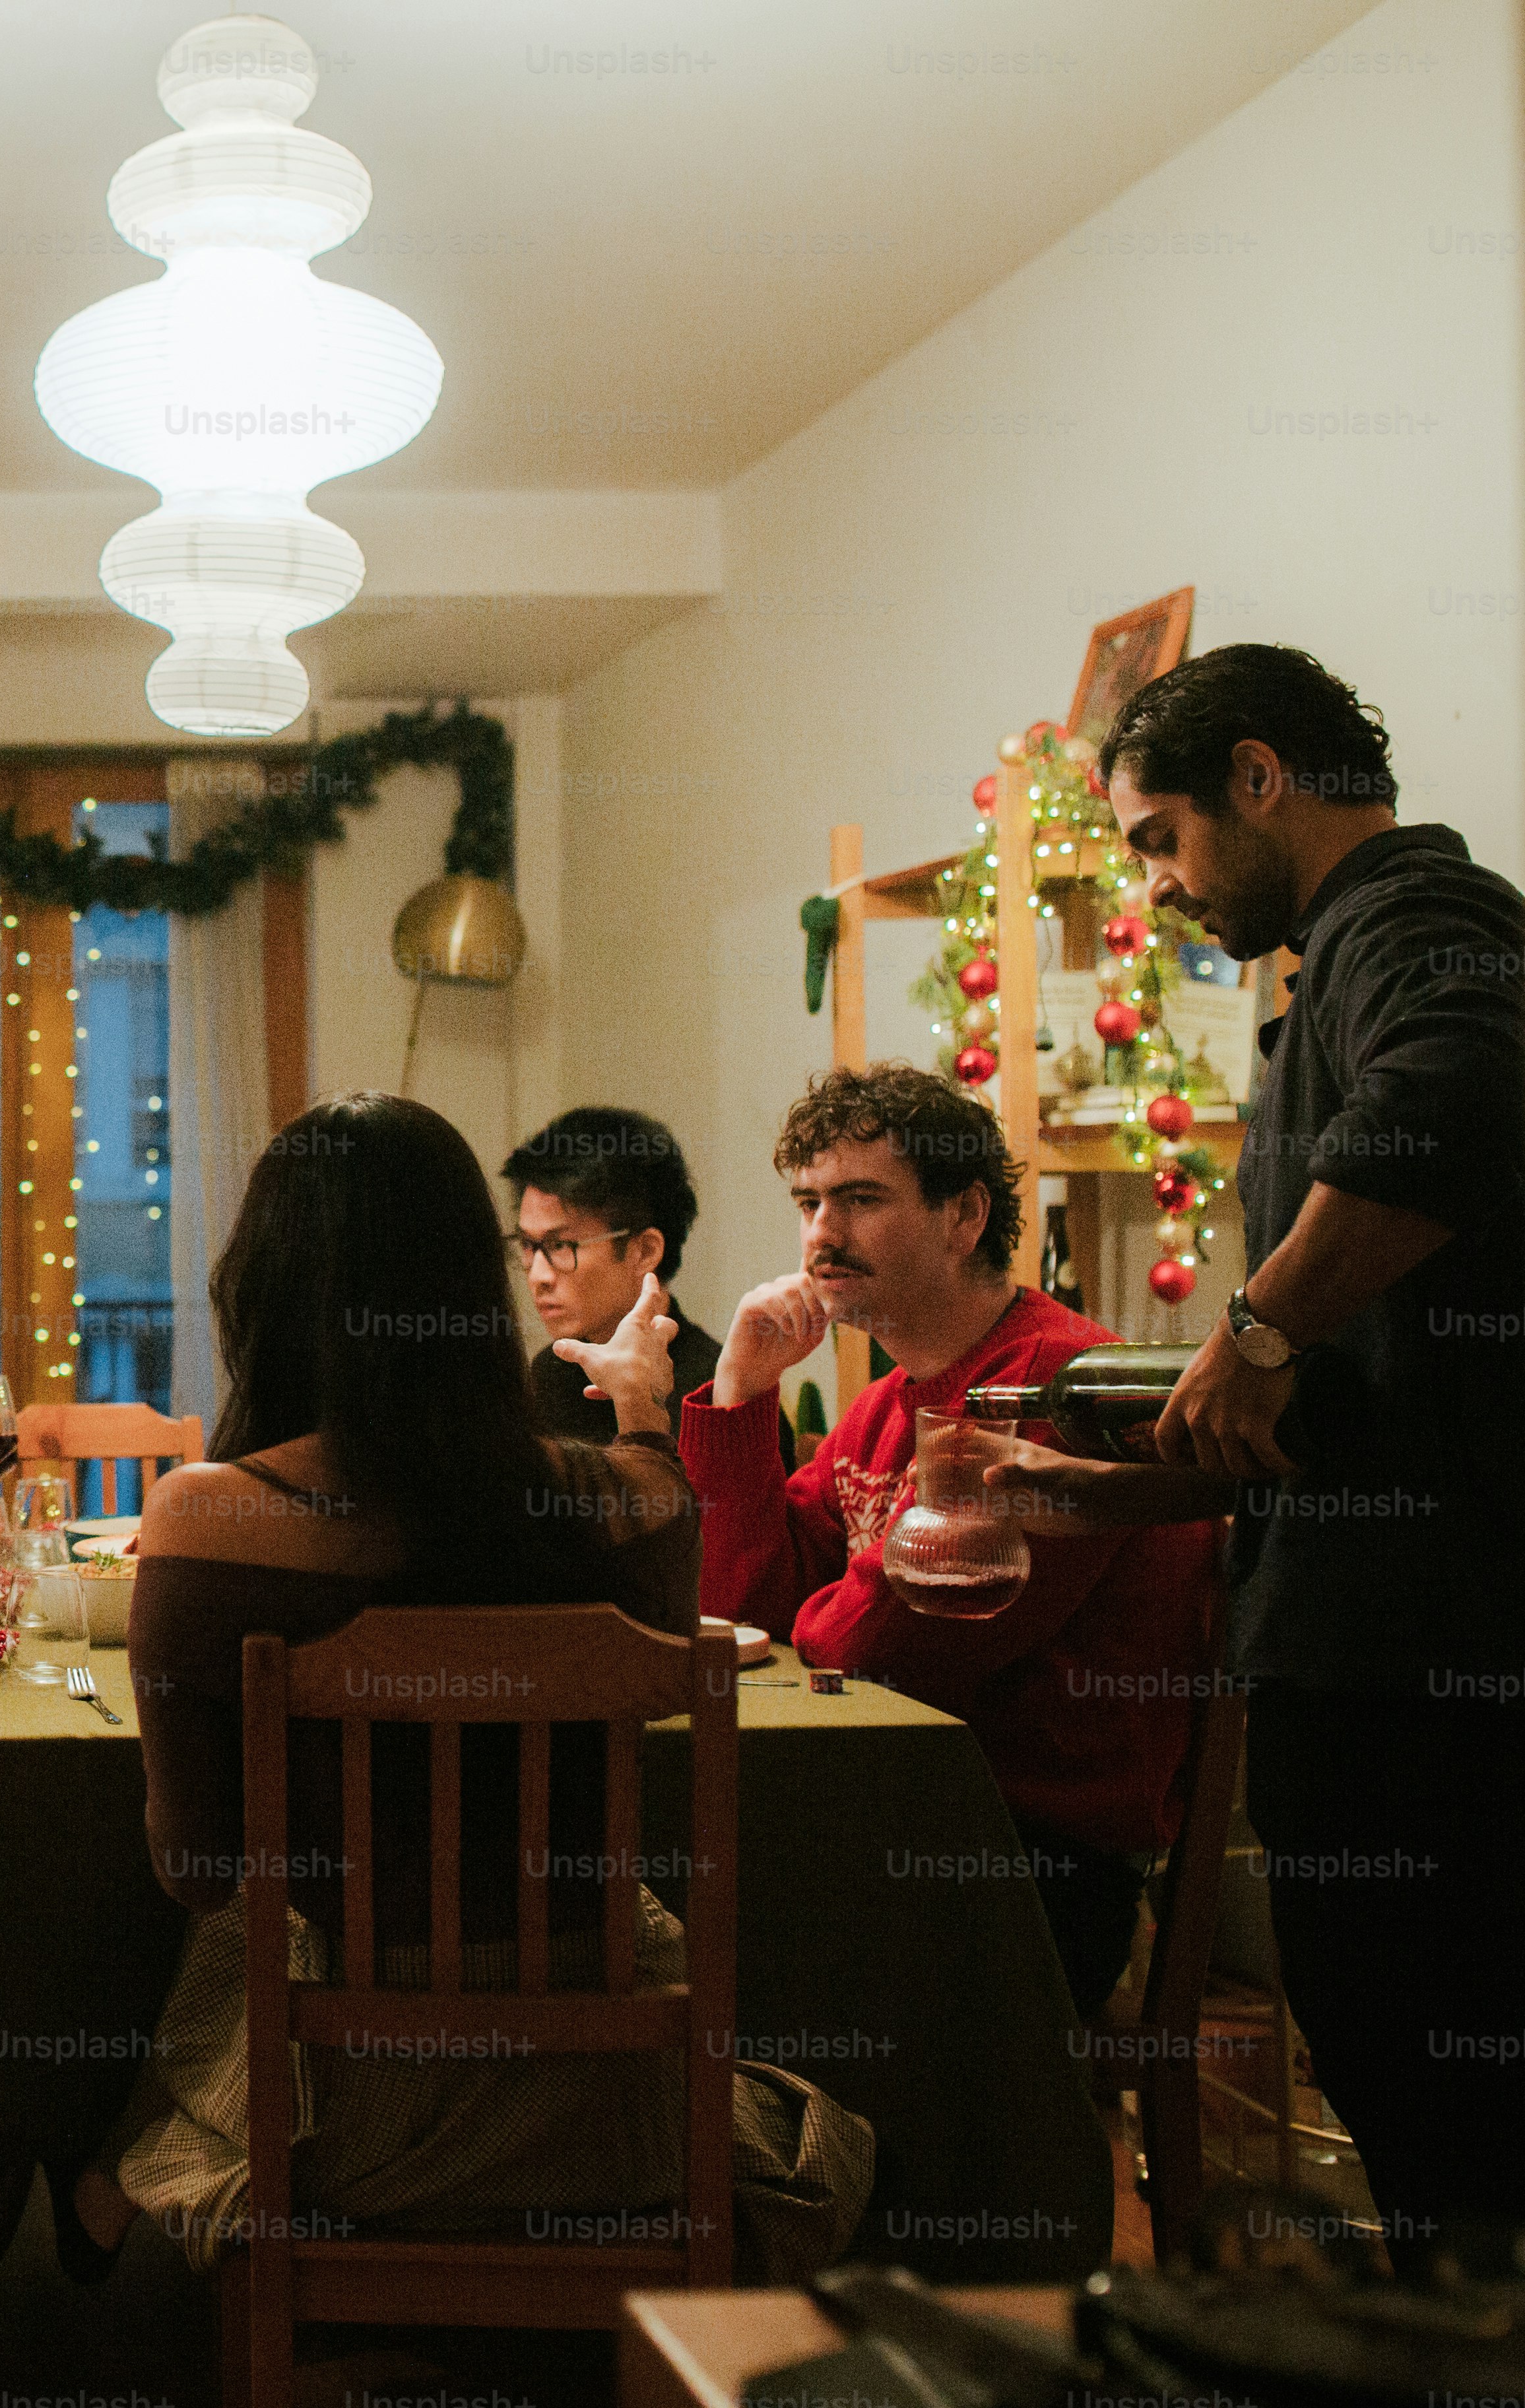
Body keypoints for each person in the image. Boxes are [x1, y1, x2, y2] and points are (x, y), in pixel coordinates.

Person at [985, 644, 1524, 2250]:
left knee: (1447, 2115)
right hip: (1370, 1640)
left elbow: (1458, 1094)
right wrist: (1108, 1487)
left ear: (1256, 778)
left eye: (1154, 839)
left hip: (1425, 1658)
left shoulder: (1416, 922)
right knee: (1414, 2095)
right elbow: (1342, 1399)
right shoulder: (1337, 963)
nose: (1151, 888)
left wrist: (1254, 1328)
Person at [69, 1092, 734, 2269]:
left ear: (262, 1286)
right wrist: (640, 1408)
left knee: (143, 2061)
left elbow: (196, 1865)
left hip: (349, 2117)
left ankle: (108, 2245)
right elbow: (665, 1536)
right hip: (622, 2104)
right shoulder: (627, 1504)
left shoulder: (207, 1519)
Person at [684, 1065, 1219, 2014]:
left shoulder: (1052, 1383)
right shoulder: (889, 1403)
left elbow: (891, 1653)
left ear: (964, 1215)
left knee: (694, 1954)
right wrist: (739, 1392)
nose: (821, 1234)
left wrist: (832, 1611)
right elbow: (742, 1606)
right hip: (897, 1817)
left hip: (1026, 1862)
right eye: (808, 1201)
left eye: (859, 1199)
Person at [502, 1106, 729, 1445]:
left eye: (561, 1245)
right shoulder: (550, 1373)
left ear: (645, 1251)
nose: (538, 1275)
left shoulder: (715, 1394)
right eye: (528, 1245)